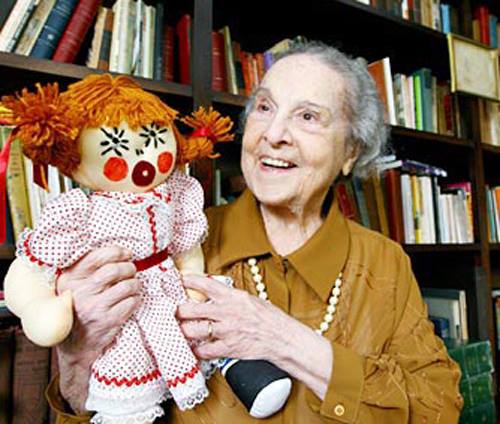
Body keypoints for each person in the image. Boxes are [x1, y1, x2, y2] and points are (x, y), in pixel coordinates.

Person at [46, 41, 463, 423]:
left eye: (307, 116)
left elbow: (438, 409)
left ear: (350, 152)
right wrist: (78, 357)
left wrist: (283, 339)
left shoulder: (384, 262)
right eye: (264, 108)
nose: (273, 135)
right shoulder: (165, 246)